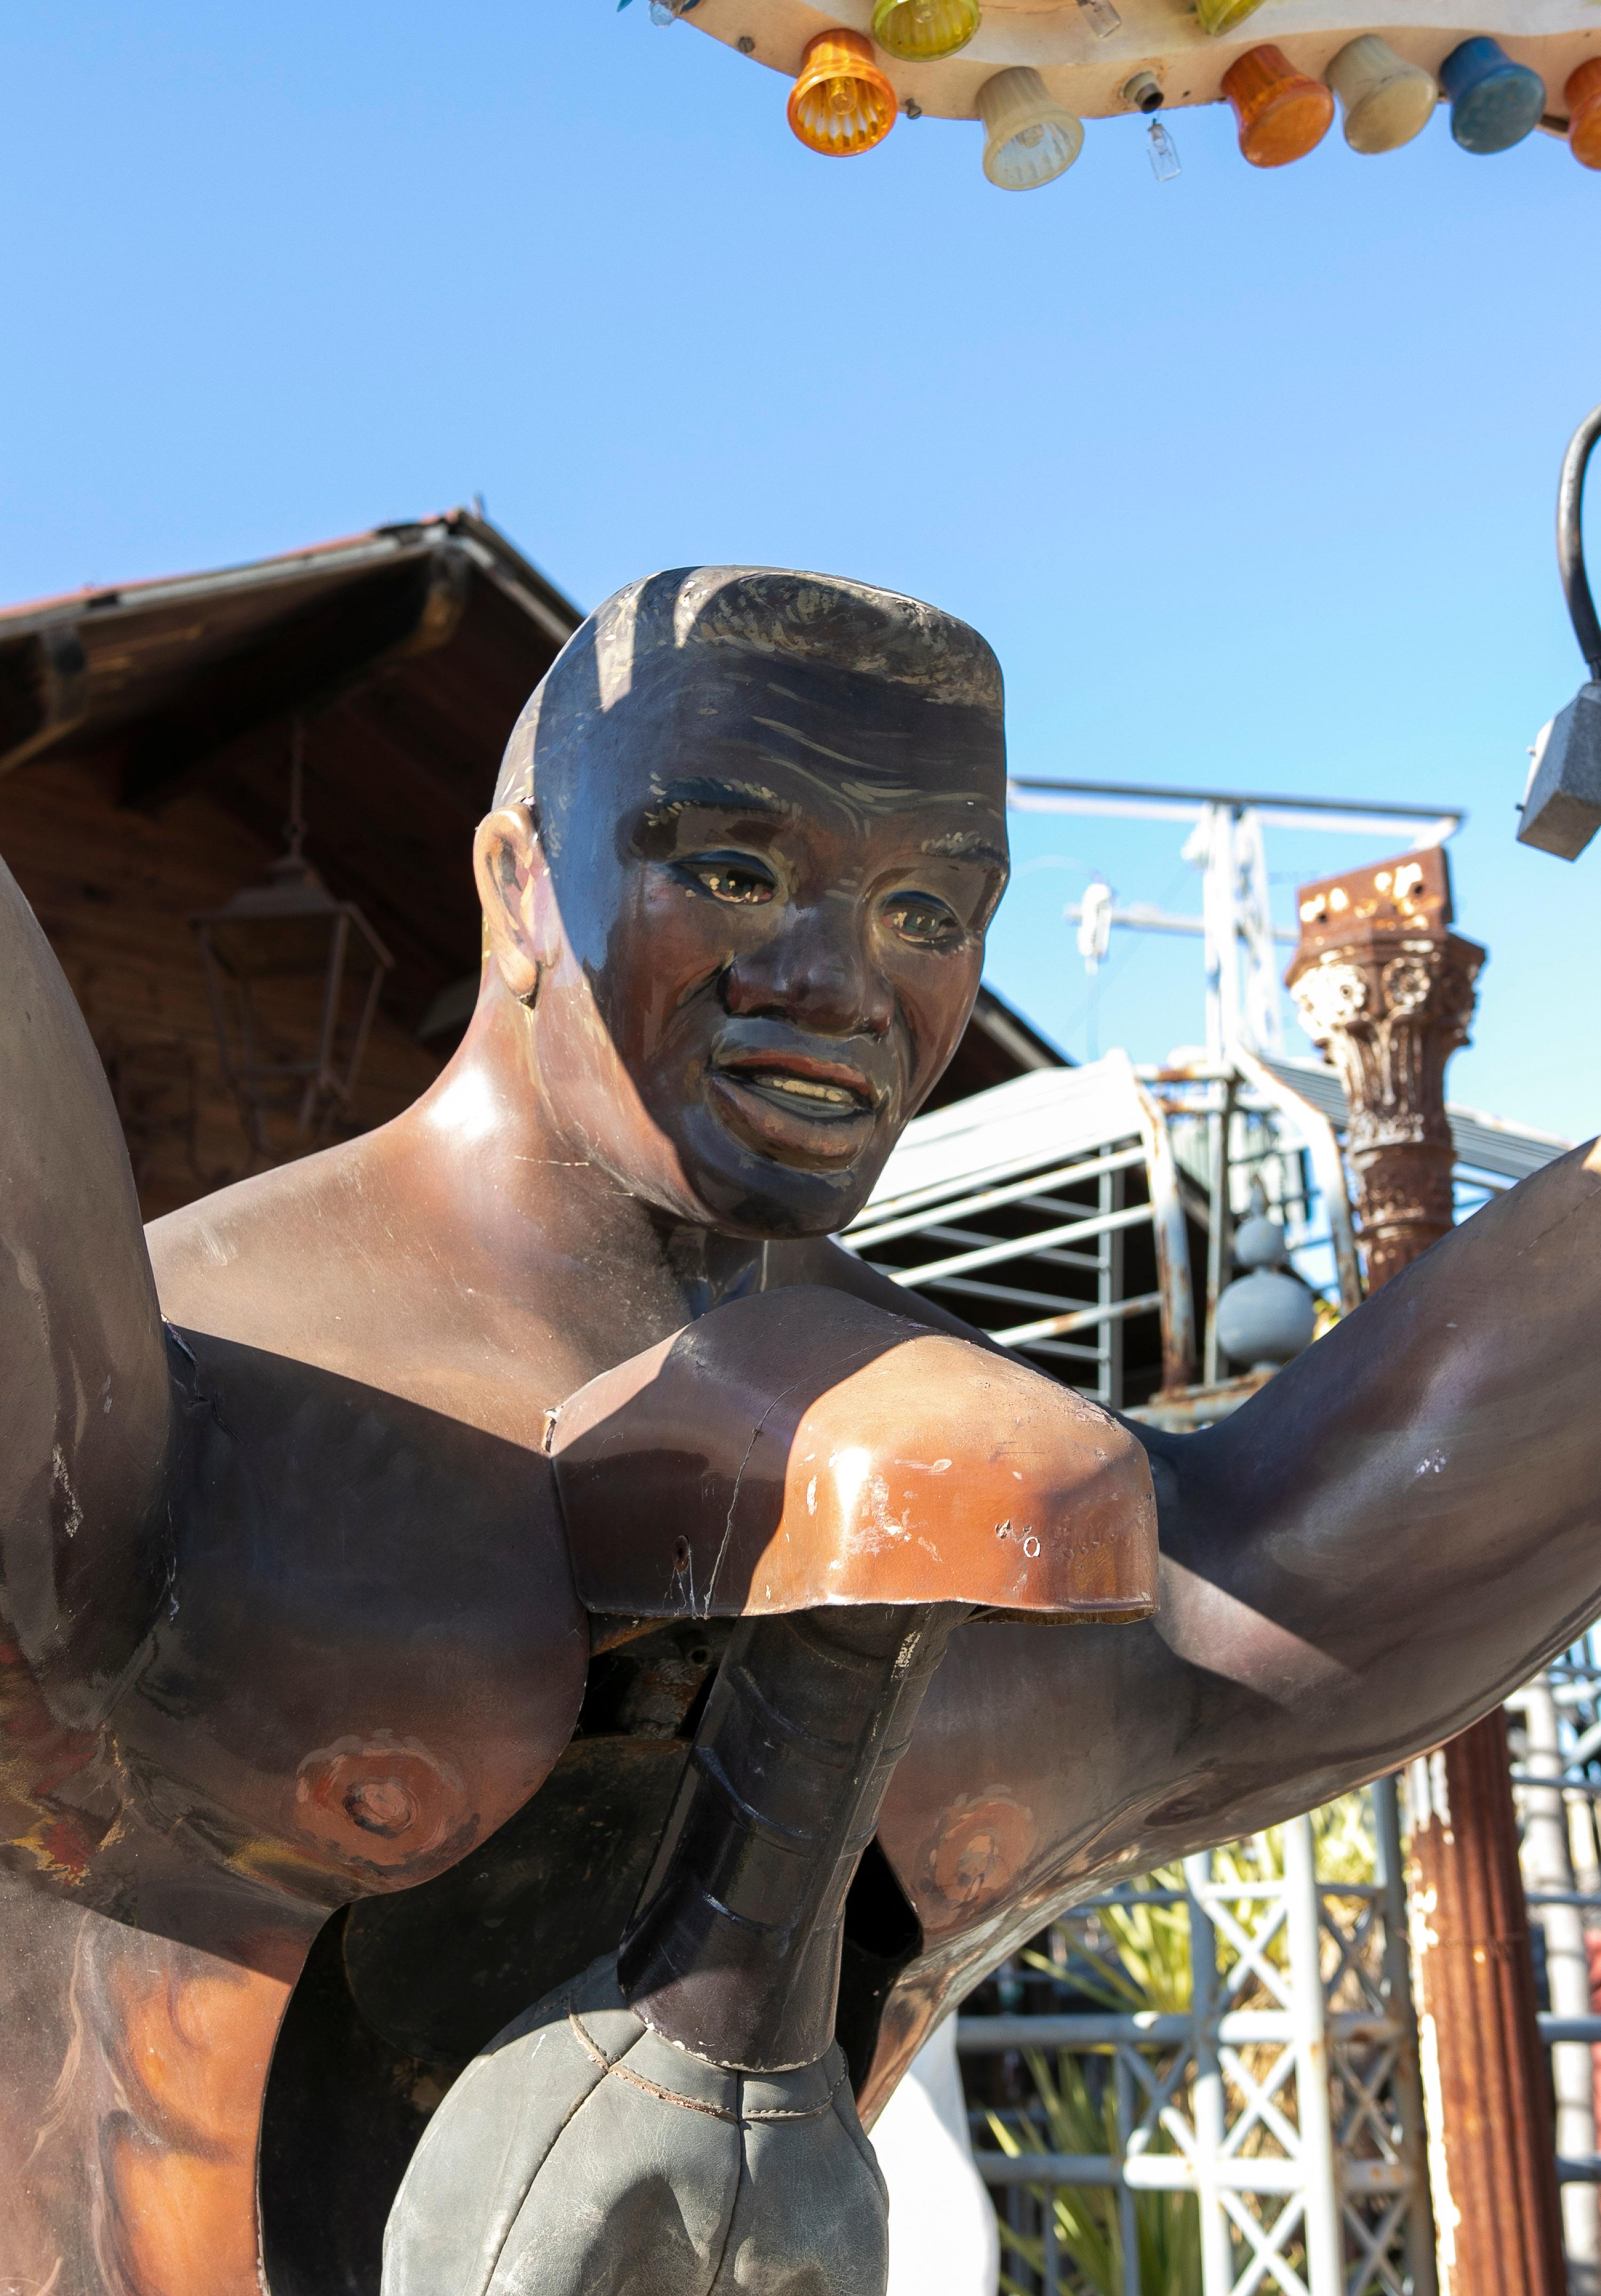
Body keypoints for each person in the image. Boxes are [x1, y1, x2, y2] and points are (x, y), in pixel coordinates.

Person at [3, 566, 1597, 2296]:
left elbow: (1334, 1553)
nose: (839, 979)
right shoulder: (190, 1408)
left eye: (930, 909)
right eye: (735, 869)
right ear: (518, 884)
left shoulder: (1016, 1475)